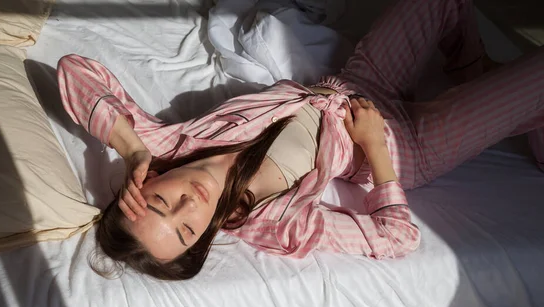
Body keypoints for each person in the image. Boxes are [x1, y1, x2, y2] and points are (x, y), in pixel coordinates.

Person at [57, 0, 544, 280]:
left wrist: (133, 148)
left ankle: (471, 70)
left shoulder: (166, 143)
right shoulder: (267, 223)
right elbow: (398, 239)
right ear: (202, 240)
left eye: (163, 202)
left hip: (353, 85)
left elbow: (74, 72)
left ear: (148, 181)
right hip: (405, 144)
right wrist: (374, 146)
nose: (190, 205)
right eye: (188, 231)